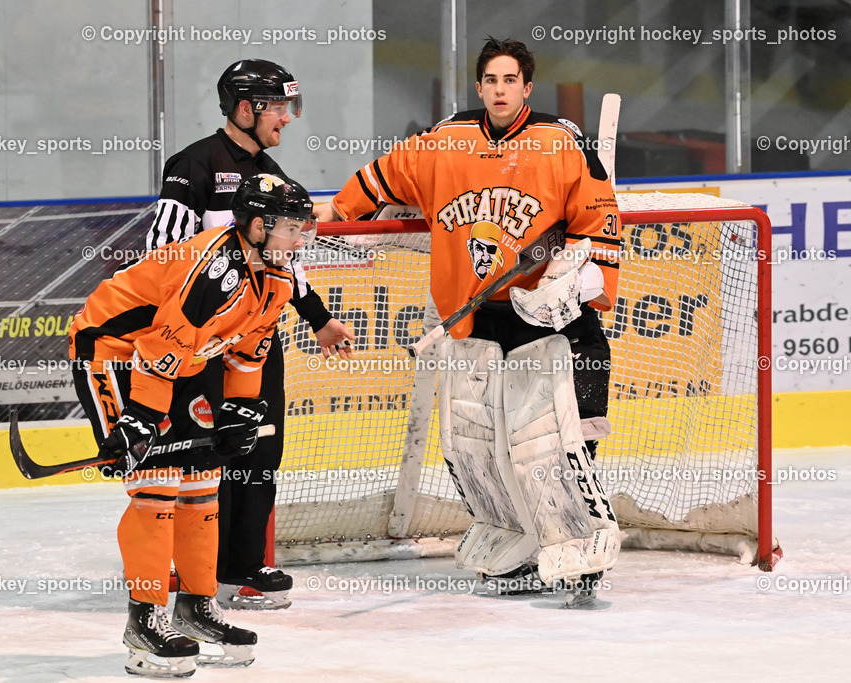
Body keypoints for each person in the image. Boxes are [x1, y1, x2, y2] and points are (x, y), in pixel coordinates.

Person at [317, 38, 622, 606]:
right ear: (479, 86)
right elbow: (384, 176)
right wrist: (338, 209)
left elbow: (599, 223)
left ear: (527, 87)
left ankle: (577, 550)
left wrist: (577, 280)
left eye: (511, 80)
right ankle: (517, 546)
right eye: (491, 80)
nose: (500, 89)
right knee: (480, 445)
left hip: (552, 324)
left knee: (553, 445)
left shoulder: (560, 142)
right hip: (480, 321)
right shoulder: (447, 141)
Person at [70, 174, 317, 676]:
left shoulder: (277, 276)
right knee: (155, 487)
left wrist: (240, 410)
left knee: (203, 479)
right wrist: (140, 420)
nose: (299, 239)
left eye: (301, 228)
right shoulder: (212, 271)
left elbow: (248, 351)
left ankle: (195, 607)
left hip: (178, 362)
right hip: (115, 356)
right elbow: (158, 349)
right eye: (290, 228)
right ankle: (144, 619)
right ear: (255, 226)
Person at [146, 58, 355, 610]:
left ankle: (244, 568)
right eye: (280, 107)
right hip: (205, 346)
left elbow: (289, 263)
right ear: (247, 108)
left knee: (260, 450)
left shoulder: (276, 181)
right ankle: (193, 573)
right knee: (201, 456)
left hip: (259, 340)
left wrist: (319, 318)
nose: (287, 119)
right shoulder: (191, 166)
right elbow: (162, 259)